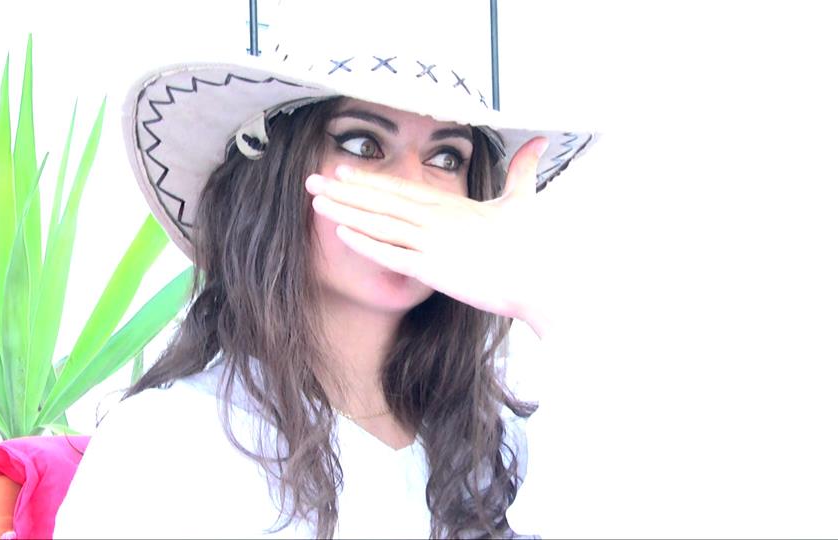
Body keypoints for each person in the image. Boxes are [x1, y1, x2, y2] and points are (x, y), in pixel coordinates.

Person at [54, 3, 595, 538]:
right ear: (275, 177)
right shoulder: (165, 444)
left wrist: (544, 299)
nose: (411, 187)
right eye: (363, 145)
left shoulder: (504, 444)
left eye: (446, 158)